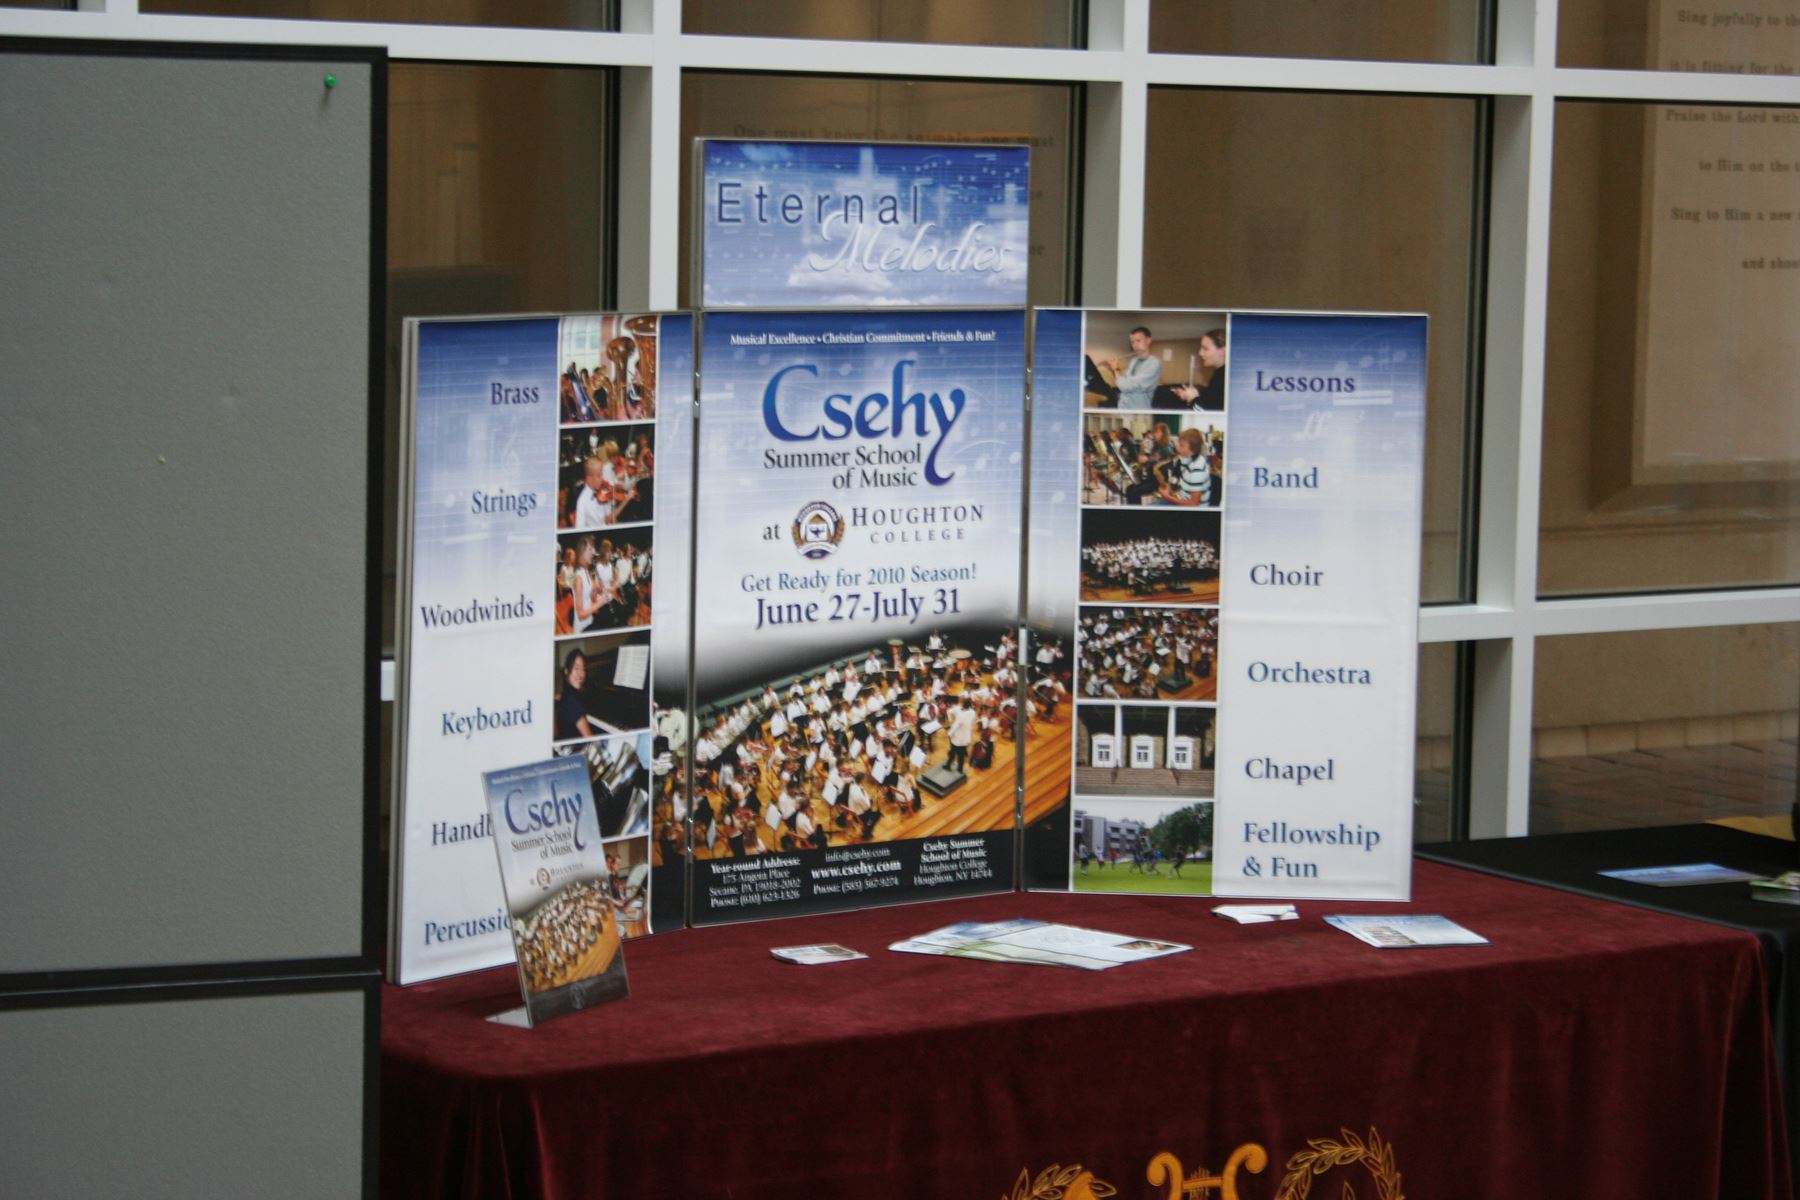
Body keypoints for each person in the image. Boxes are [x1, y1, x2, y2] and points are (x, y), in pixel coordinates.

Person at [1102, 326, 1162, 410]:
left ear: (1148, 340)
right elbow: (1124, 380)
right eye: (1132, 342)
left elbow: (1125, 386)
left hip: (1139, 411)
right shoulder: (1134, 361)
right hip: (1124, 408)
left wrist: (1115, 369)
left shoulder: (1154, 363)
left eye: (1138, 341)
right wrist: (1112, 368)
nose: (1135, 345)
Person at [1155, 428, 1217, 507]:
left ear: (1192, 449)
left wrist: (1167, 497)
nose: (1177, 448)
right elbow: (1178, 482)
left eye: (1182, 445)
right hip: (1182, 498)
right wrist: (1170, 491)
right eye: (1179, 443)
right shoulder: (1185, 459)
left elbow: (1193, 504)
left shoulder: (1197, 469)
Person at [555, 649, 596, 741]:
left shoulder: (564, 695)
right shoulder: (572, 702)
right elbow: (591, 740)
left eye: (583, 669)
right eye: (576, 668)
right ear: (566, 671)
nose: (581, 674)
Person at [573, 456, 612, 528]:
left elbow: (609, 518)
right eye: (599, 476)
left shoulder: (603, 492)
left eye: (602, 475)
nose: (602, 478)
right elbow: (579, 528)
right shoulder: (582, 501)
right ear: (589, 478)